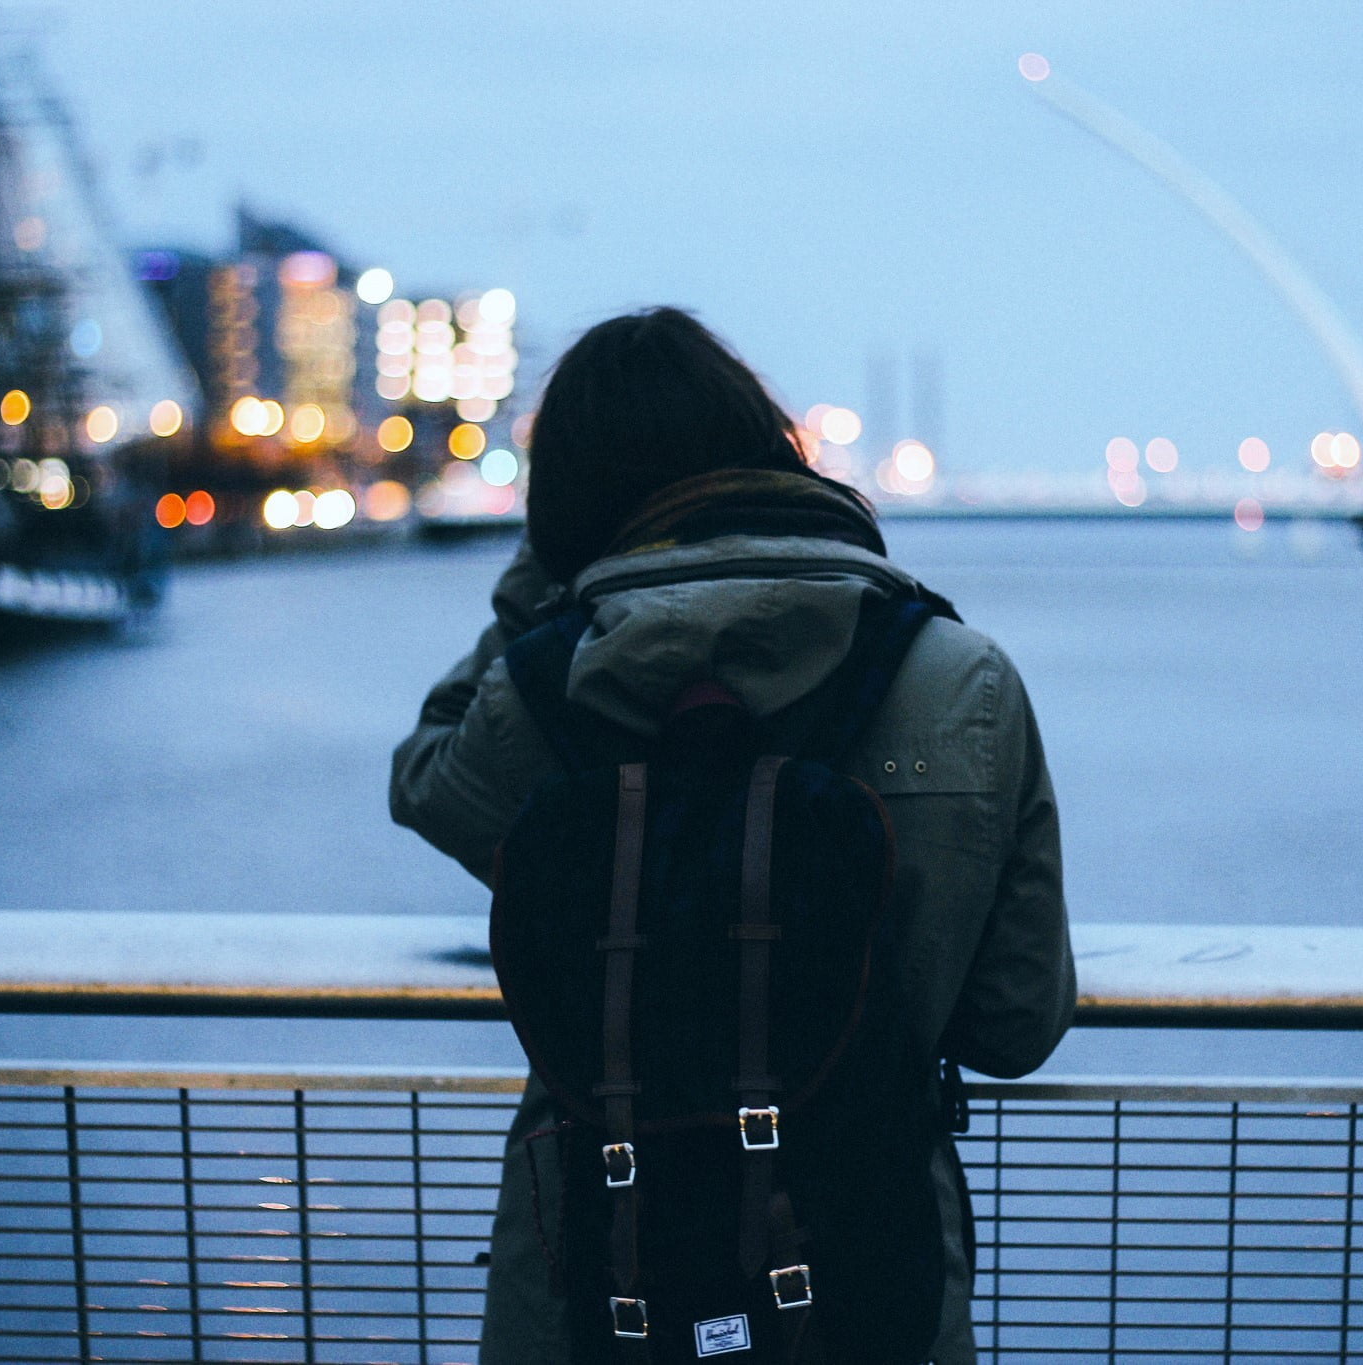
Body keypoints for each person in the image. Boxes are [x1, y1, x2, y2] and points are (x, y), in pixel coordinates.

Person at [390, 307, 1073, 1363]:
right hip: (866, 1281)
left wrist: (547, 573)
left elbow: (425, 777)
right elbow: (1014, 1022)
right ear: (769, 449)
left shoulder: (542, 690)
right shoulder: (956, 679)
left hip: (593, 1284)